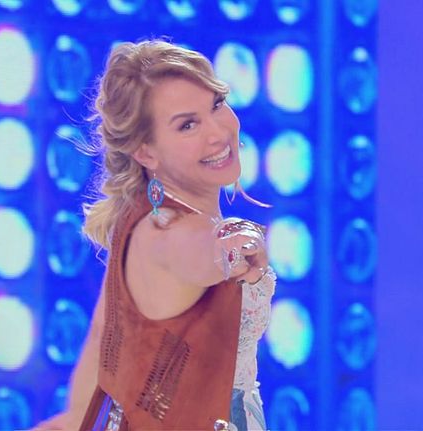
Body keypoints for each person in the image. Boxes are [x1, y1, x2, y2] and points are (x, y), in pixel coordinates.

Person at [33, 39, 276, 431]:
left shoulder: (137, 219)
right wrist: (233, 247)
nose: (218, 133)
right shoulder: (170, 234)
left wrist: (72, 421)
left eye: (216, 104)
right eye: (188, 125)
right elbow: (199, 252)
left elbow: (102, 338)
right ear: (146, 152)